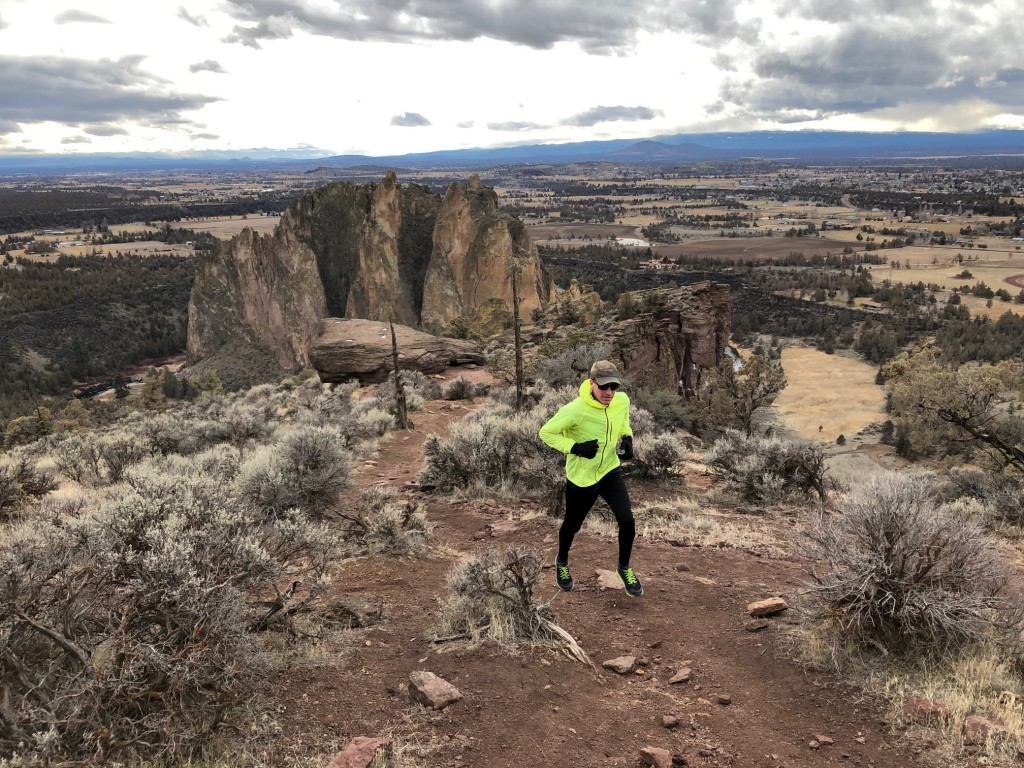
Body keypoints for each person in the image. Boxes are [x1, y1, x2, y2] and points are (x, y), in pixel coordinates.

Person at [538, 360, 642, 597]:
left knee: (627, 521)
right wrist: (575, 447)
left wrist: (627, 437)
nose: (609, 393)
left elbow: (623, 420)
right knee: (572, 525)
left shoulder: (622, 401)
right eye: (604, 387)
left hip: (609, 471)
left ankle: (623, 568)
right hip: (582, 477)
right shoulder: (575, 410)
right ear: (592, 383)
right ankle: (562, 561)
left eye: (613, 387)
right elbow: (546, 433)